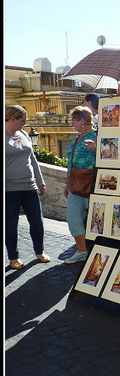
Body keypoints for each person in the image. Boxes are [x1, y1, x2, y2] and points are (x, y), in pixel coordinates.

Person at [5, 105, 51, 269]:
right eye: (22, 121)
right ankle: (13, 257)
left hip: (30, 187)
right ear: (13, 119)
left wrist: (40, 181)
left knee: (37, 222)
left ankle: (39, 252)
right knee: (11, 224)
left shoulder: (24, 134)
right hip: (9, 190)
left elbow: (33, 160)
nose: (25, 124)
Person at [63, 106, 97, 264]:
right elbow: (70, 163)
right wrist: (67, 183)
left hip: (93, 186)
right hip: (75, 186)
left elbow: (111, 157)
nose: (72, 124)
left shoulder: (97, 136)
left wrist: (96, 149)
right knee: (73, 219)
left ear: (82, 121)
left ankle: (100, 252)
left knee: (97, 222)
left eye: (74, 120)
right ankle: (82, 251)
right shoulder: (76, 138)